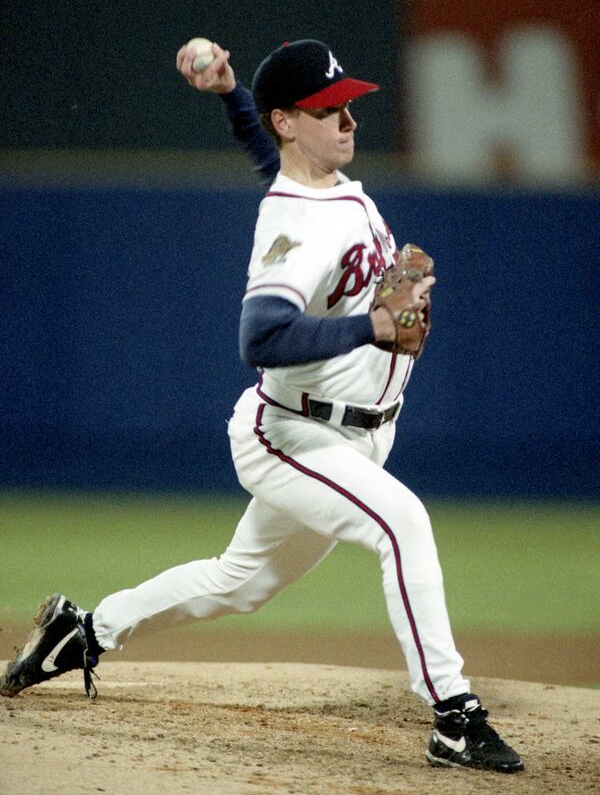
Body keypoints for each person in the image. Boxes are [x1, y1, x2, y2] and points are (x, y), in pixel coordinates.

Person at [0, 38, 524, 774]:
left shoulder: (324, 182)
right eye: (326, 109)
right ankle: (455, 716)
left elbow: (270, 156)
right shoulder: (298, 223)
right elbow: (261, 333)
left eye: (349, 104)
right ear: (291, 121)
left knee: (238, 581)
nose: (347, 119)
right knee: (403, 523)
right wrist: (370, 325)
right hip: (293, 434)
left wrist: (228, 94)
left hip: (358, 434)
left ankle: (82, 631)